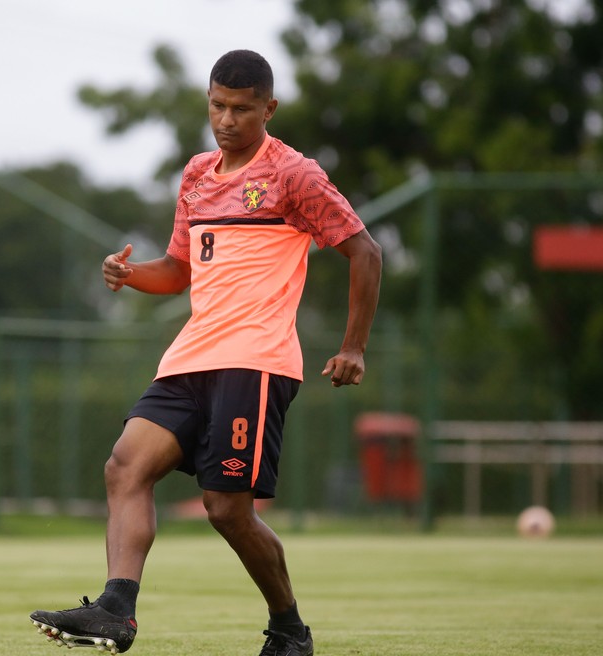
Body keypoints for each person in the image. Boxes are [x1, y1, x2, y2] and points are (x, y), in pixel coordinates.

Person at [30, 49, 382, 656]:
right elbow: (179, 270)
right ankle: (117, 609)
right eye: (217, 105)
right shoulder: (196, 174)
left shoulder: (294, 175)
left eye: (241, 109)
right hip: (191, 356)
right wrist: (128, 273)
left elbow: (366, 252)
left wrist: (353, 346)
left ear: (268, 109)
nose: (226, 119)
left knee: (225, 510)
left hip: (256, 362)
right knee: (125, 467)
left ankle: (289, 629)